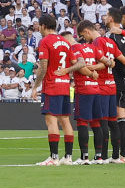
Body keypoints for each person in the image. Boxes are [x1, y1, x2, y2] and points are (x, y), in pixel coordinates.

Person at [70, 21, 114, 164]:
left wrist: (89, 73)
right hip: (96, 89)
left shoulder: (75, 48)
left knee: (82, 123)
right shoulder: (92, 48)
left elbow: (80, 67)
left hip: (84, 89)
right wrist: (95, 70)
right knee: (96, 123)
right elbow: (107, 62)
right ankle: (99, 156)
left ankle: (84, 157)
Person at [33, 13, 73, 166]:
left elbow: (43, 67)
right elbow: (75, 62)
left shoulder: (45, 41)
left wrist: (35, 86)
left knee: (51, 121)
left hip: (51, 86)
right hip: (64, 85)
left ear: (43, 26)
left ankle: (54, 158)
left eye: (39, 26)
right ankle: (68, 157)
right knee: (65, 120)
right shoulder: (65, 41)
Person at [103, 10, 125, 164]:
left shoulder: (111, 37)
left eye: (105, 15)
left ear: (111, 18)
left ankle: (123, 154)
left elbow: (115, 62)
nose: (104, 17)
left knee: (121, 117)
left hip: (118, 80)